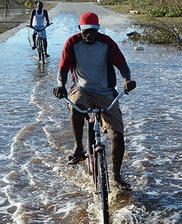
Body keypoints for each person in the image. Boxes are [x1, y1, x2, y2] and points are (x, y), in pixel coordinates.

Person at [53, 11, 136, 190]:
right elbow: (63, 69)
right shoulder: (72, 43)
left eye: (93, 31)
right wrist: (60, 85)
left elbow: (123, 65)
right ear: (80, 29)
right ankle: (78, 148)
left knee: (117, 136)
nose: (90, 35)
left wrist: (127, 80)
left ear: (98, 30)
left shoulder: (107, 43)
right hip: (81, 90)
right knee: (76, 107)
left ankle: (117, 176)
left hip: (106, 93)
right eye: (86, 31)